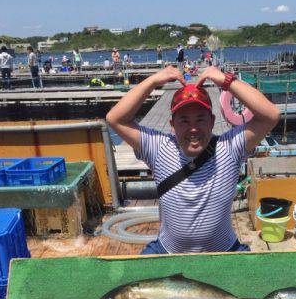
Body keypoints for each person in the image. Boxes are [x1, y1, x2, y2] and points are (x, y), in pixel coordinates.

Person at [106, 65, 280, 254]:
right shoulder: (158, 148)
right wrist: (154, 80)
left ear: (212, 122)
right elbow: (115, 118)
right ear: (172, 125)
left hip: (225, 250)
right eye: (184, 121)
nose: (193, 128)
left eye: (200, 120)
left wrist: (226, 81)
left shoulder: (229, 148)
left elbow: (271, 115)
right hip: (167, 251)